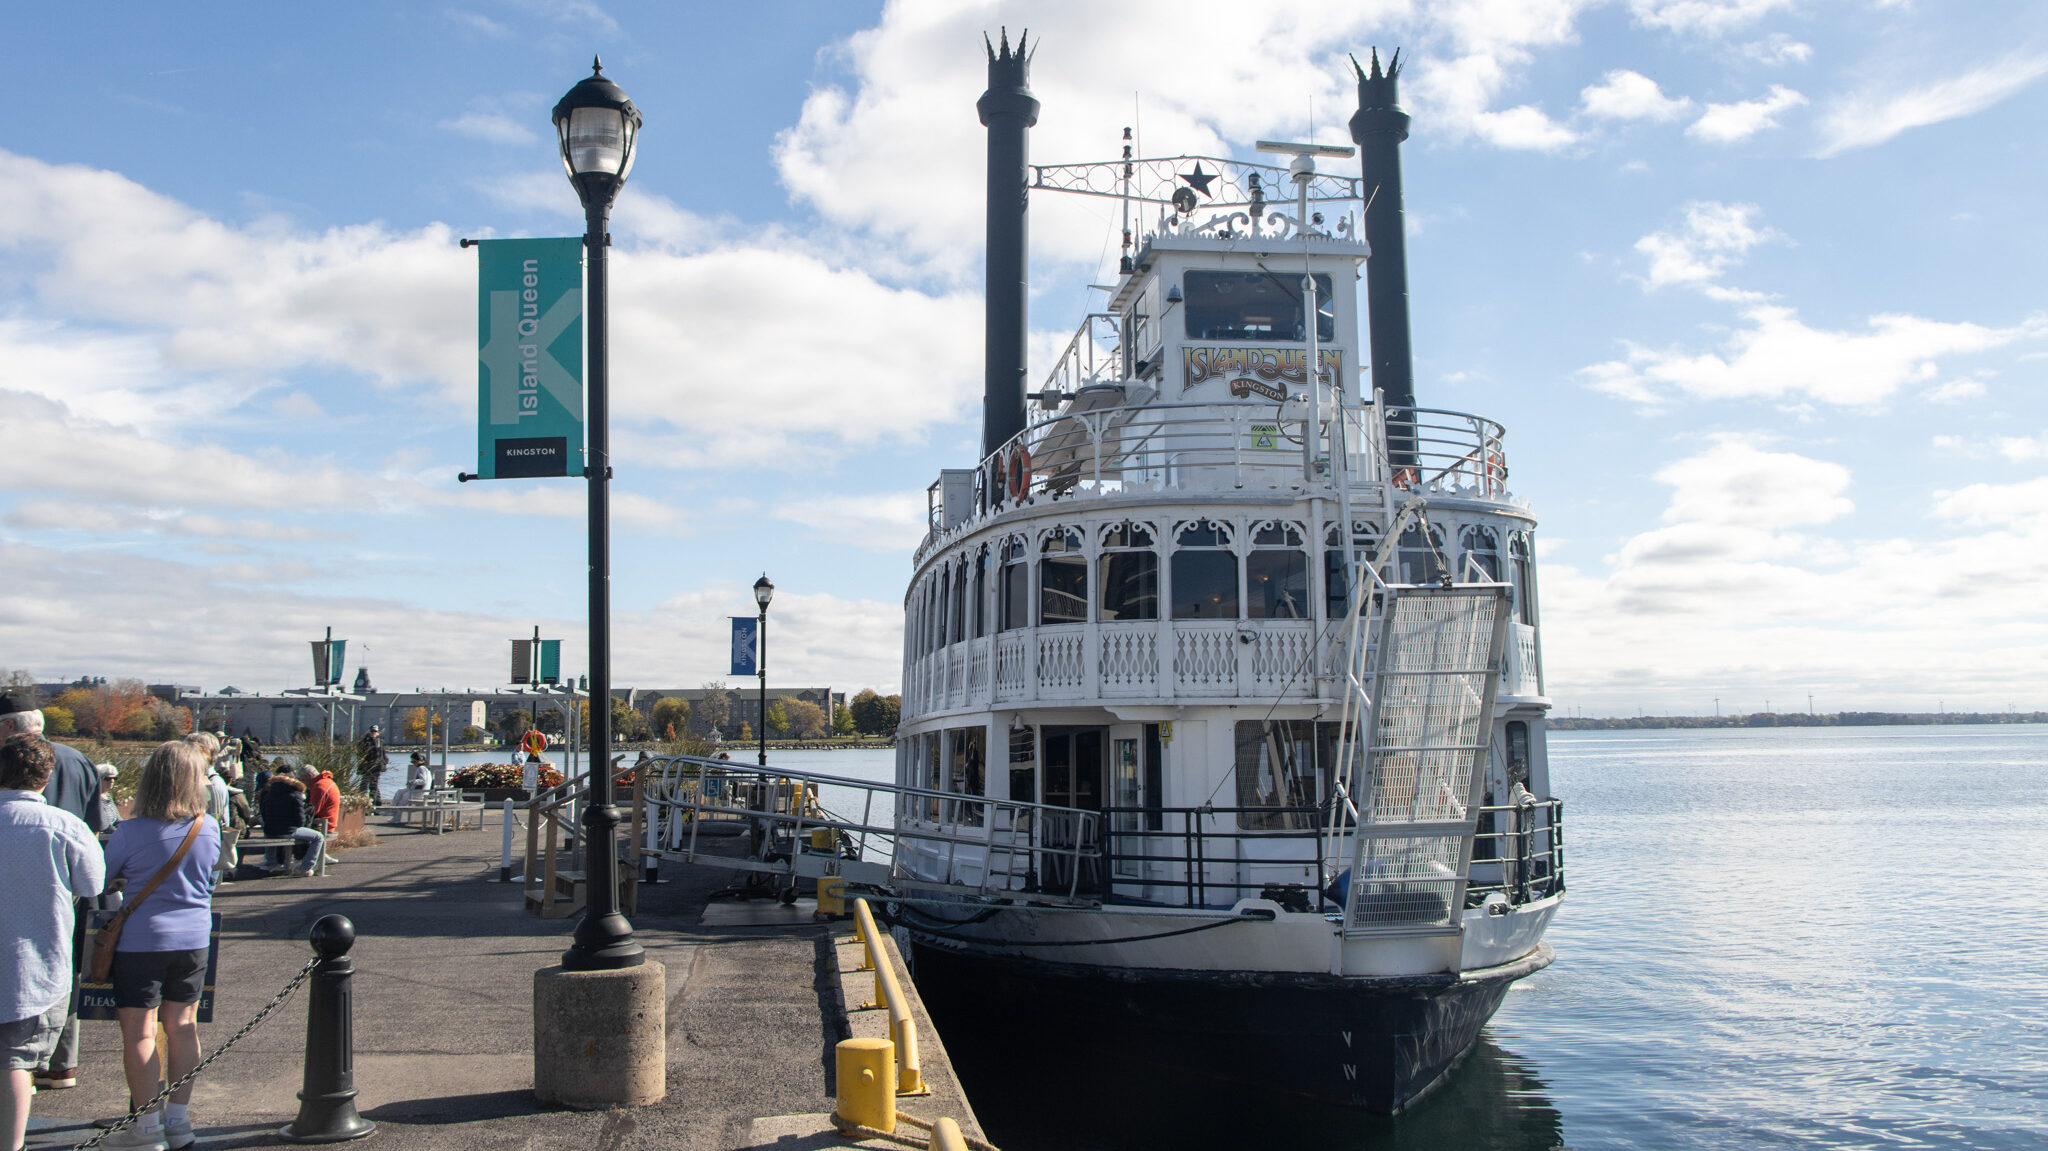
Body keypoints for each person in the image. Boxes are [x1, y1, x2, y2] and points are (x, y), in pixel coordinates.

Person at [99, 741, 221, 1151]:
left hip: (141, 940)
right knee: (184, 1026)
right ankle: (179, 1120)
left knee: (140, 1032)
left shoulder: (129, 830)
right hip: (194, 938)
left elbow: (104, 878)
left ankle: (147, 1127)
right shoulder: (209, 827)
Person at [0, 693, 110, 1096]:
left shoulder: (6, 761)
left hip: (18, 885)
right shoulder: (79, 760)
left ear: (9, 727)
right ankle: (61, 1066)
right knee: (56, 974)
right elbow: (96, 827)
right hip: (65, 888)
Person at [258, 770, 323, 876]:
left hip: (270, 830)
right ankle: (306, 868)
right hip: (289, 830)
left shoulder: (268, 794)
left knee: (270, 834)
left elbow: (264, 814)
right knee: (318, 837)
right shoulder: (295, 794)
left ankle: (271, 863)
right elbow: (300, 819)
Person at [303, 766, 342, 866]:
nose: (301, 782)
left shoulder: (319, 786)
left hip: (325, 824)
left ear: (309, 776)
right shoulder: (325, 781)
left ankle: (304, 860)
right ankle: (319, 854)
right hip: (327, 822)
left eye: (302, 779)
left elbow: (313, 810)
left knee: (296, 828)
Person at [355, 726, 388, 804]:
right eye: (372, 732)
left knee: (374, 785)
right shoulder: (364, 742)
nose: (373, 733)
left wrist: (384, 763)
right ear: (369, 732)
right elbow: (360, 754)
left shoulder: (380, 741)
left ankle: (376, 804)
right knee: (364, 785)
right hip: (367, 767)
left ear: (377, 733)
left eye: (375, 732)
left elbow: (383, 754)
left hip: (377, 767)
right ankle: (363, 803)